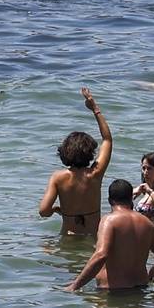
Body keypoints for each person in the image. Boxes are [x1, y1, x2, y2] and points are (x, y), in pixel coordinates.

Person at [67, 181, 154, 292]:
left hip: (112, 292)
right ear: (131, 198)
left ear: (110, 201)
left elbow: (101, 255)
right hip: (140, 290)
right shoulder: (147, 223)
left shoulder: (109, 221)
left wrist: (74, 286)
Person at [38, 87, 114, 236]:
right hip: (93, 235)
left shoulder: (58, 178)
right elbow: (107, 139)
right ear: (90, 152)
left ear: (65, 152)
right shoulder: (95, 174)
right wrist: (95, 109)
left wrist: (55, 210)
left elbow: (43, 211)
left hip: (69, 236)